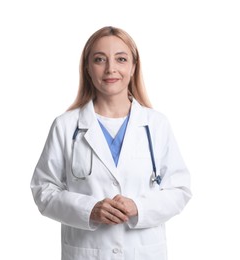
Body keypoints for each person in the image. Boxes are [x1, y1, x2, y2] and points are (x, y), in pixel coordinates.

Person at [30, 26, 192, 260]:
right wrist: (89, 210)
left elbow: (180, 189)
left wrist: (139, 207)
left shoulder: (156, 124)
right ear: (87, 67)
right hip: (87, 252)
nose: (111, 69)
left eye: (121, 59)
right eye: (99, 59)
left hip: (144, 252)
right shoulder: (65, 126)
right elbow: (43, 190)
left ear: (133, 66)